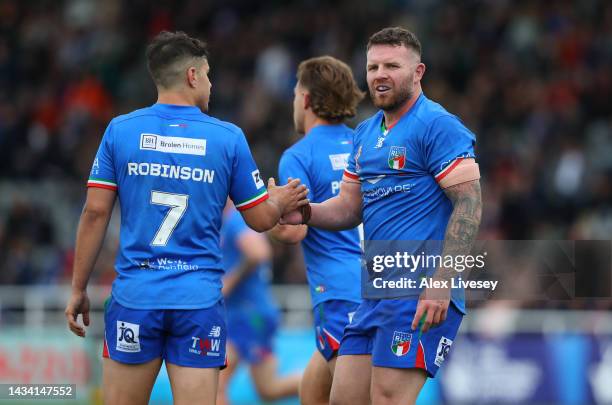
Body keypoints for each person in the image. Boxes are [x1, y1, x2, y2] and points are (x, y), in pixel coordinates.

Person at [64, 31, 308, 405]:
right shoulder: (227, 138)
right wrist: (279, 199)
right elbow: (260, 220)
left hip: (136, 297)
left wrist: (79, 288)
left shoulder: (121, 130)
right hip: (198, 302)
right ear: (192, 76)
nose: (211, 84)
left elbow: (95, 212)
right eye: (208, 75)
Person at [282, 27, 482, 404]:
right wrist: (304, 213)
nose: (379, 74)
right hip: (373, 294)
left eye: (392, 65)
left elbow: (470, 205)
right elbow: (347, 208)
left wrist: (442, 281)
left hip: (419, 291)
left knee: (388, 399)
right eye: (373, 66)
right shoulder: (364, 133)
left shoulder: (438, 125)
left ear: (418, 72)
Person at [268, 56, 364, 405]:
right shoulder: (364, 143)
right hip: (380, 282)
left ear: (306, 99)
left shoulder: (299, 155)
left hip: (340, 291)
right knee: (312, 389)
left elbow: (295, 232)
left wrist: (271, 214)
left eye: (295, 93)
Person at [216, 202, 301, 405]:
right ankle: (332, 381)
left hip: (248, 314)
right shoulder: (226, 221)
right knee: (268, 389)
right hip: (252, 314)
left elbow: (258, 253)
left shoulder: (236, 219)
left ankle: (334, 381)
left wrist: (228, 283)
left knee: (214, 385)